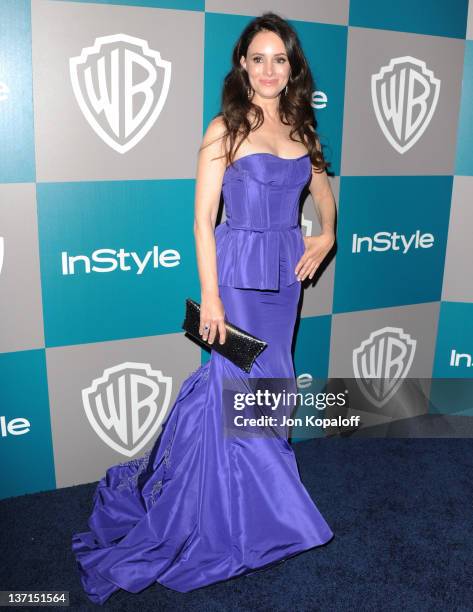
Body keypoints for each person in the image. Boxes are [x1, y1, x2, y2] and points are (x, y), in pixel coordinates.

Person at [72, 11, 337, 605]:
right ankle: (239, 523)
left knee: (272, 388)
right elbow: (202, 220)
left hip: (285, 277)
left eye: (281, 59)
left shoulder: (301, 126)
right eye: (259, 57)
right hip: (237, 278)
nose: (270, 69)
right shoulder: (225, 128)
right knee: (233, 391)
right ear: (241, 63)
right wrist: (212, 297)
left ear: (292, 68)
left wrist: (324, 235)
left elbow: (323, 195)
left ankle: (258, 512)